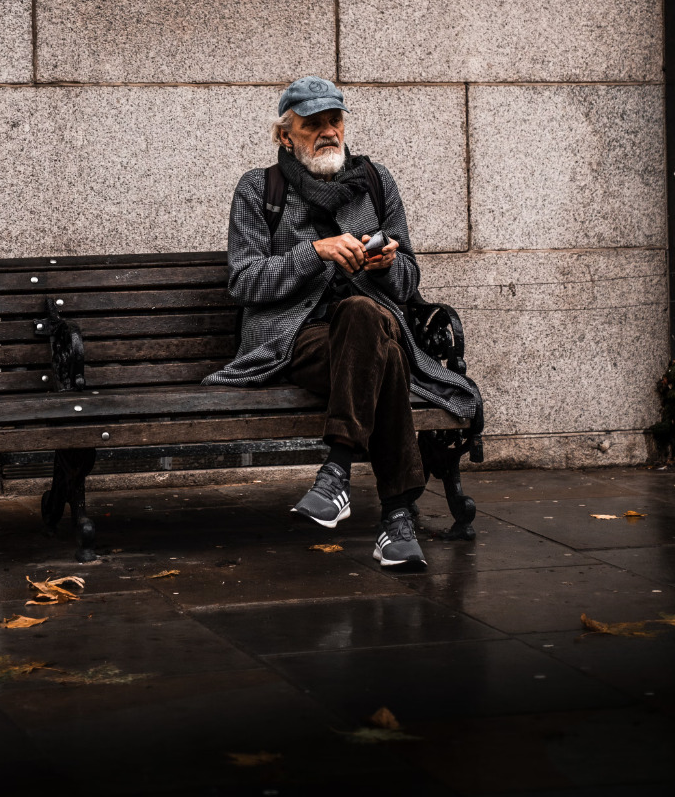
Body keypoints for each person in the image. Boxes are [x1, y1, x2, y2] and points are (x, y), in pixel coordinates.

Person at [203, 76, 480, 572]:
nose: (328, 131)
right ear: (286, 135)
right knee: (384, 353)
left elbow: (410, 278)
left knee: (363, 313)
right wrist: (315, 254)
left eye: (335, 120)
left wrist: (388, 265)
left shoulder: (376, 182)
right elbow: (243, 282)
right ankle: (396, 519)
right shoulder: (258, 188)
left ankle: (335, 476)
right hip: (298, 340)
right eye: (313, 124)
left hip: (374, 321)